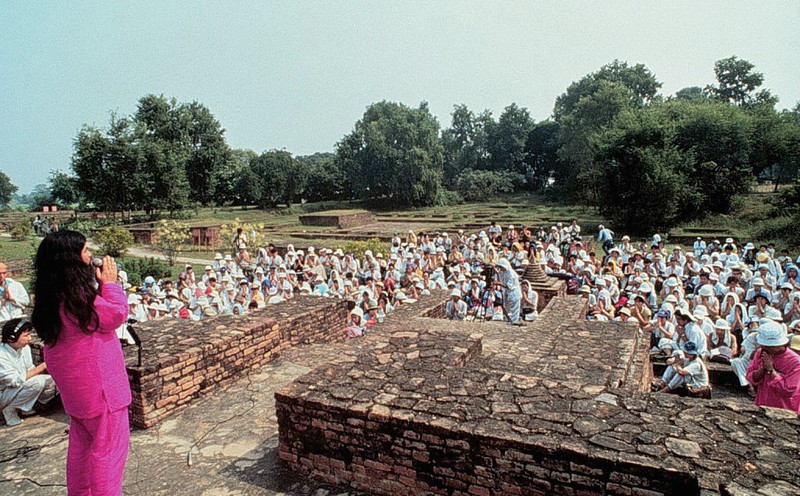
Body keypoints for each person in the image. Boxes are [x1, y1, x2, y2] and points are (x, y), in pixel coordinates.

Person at [31, 230, 130, 494]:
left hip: (77, 392)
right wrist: (111, 285)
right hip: (101, 391)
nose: (91, 257)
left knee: (82, 452)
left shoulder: (52, 299)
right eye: (86, 252)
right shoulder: (80, 302)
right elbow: (117, 314)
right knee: (107, 454)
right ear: (72, 261)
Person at [0, 318, 58, 426]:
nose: (30, 338)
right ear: (11, 338)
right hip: (5, 392)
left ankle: (27, 406)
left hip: (18, 388)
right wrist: (41, 367)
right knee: (38, 382)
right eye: (26, 335)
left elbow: (30, 369)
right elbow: (14, 381)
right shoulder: (1, 355)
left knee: (56, 381)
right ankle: (10, 410)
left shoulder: (24, 348)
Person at [746, 322, 800, 413]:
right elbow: (751, 377)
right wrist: (763, 369)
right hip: (762, 405)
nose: (766, 348)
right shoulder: (761, 352)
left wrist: (772, 371)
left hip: (785, 410)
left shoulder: (795, 362)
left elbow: (789, 390)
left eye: (770, 347)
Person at [496, 258, 522, 325]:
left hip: (514, 292)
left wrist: (498, 284)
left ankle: (514, 321)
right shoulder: (502, 272)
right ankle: (509, 320)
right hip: (507, 292)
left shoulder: (511, 273)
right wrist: (497, 273)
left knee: (515, 308)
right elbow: (501, 281)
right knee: (507, 307)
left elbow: (508, 286)